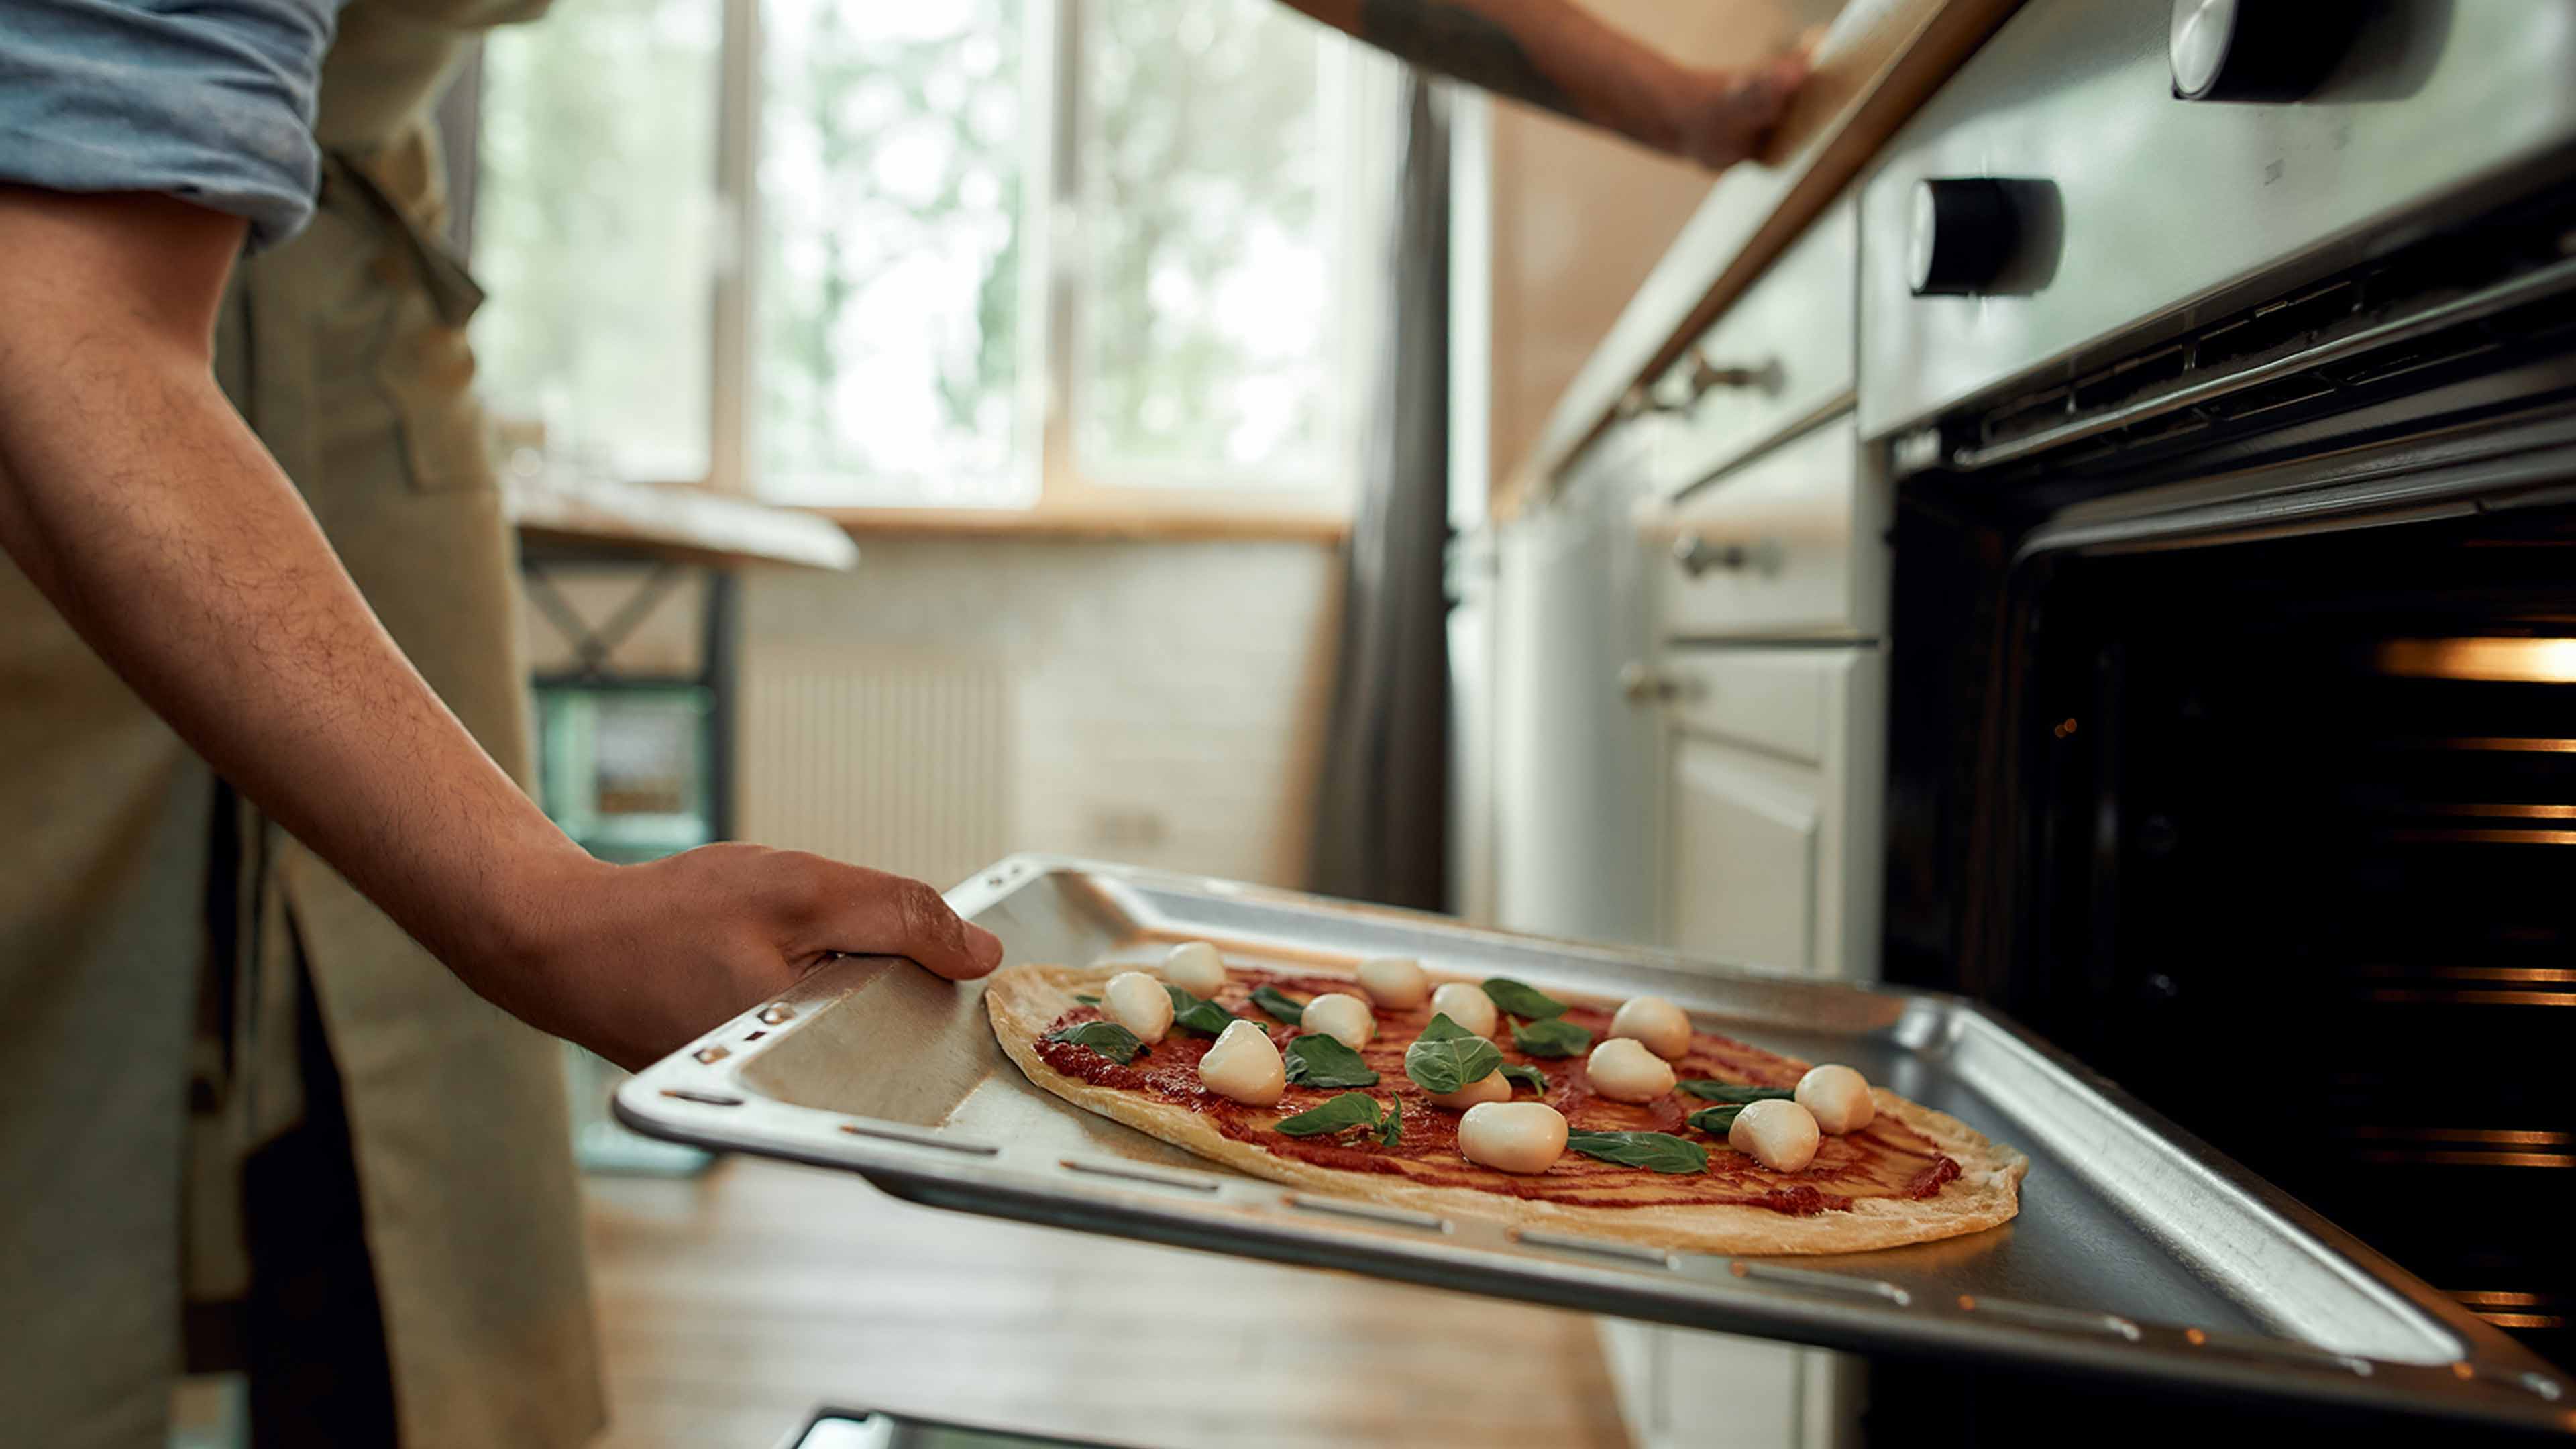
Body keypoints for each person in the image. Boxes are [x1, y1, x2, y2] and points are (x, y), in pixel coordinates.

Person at [0, 2, 1801, 1445]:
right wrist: (540, 903)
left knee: (431, 1159)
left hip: (352, 322)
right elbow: (62, 310)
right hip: (60, 327)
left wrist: (1685, 109)